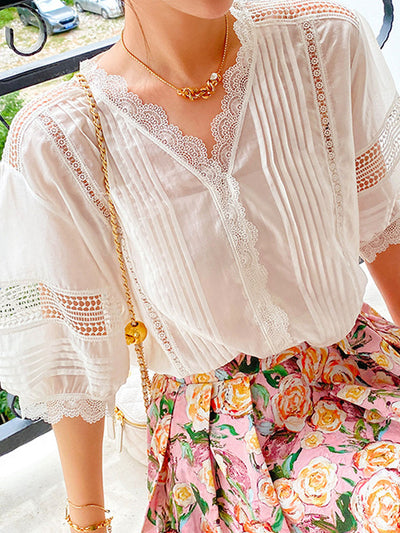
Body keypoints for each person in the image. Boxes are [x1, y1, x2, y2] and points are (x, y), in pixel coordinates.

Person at [1, 0, 400, 531]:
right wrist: (88, 521)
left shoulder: (325, 42)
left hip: (363, 366)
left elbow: (385, 225)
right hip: (221, 430)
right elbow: (75, 365)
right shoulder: (58, 140)